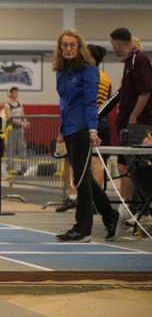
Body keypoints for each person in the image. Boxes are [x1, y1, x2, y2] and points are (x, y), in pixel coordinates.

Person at [53, 30, 123, 242]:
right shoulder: (62, 72)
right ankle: (111, 216)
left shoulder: (89, 71)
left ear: (79, 47)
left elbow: (91, 104)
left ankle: (83, 229)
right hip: (69, 128)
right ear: (60, 48)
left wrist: (93, 129)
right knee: (85, 178)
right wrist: (61, 130)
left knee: (81, 179)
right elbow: (65, 103)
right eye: (64, 45)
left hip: (84, 128)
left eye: (72, 45)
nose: (68, 49)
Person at [109, 27, 152, 203]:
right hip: (129, 124)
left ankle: (143, 205)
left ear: (118, 42)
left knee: (139, 168)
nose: (112, 48)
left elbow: (146, 91)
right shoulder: (130, 62)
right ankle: (138, 205)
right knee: (132, 168)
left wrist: (133, 118)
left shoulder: (138, 59)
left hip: (137, 125)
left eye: (112, 44)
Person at [0, 87, 27, 174]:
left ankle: (23, 167)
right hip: (11, 129)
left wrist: (25, 122)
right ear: (10, 94)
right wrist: (21, 123)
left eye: (17, 92)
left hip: (20, 129)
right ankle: (10, 167)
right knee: (11, 149)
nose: (16, 94)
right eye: (15, 92)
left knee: (22, 148)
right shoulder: (7, 105)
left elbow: (23, 114)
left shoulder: (20, 103)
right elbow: (9, 117)